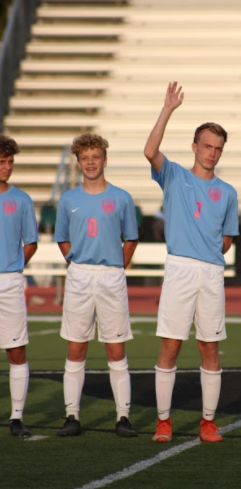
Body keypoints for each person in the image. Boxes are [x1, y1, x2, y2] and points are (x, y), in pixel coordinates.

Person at [144, 82, 239, 443]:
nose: (212, 153)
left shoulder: (228, 192)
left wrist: (207, 254)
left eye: (217, 148)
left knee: (209, 347)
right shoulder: (174, 176)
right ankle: (164, 422)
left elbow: (227, 239)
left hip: (211, 273)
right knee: (170, 345)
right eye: (207, 146)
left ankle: (208, 422)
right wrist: (168, 108)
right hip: (180, 269)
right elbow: (150, 150)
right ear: (195, 147)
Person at [54, 133, 139, 438]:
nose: (91, 163)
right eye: (85, 158)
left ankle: (123, 417)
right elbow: (62, 238)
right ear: (78, 163)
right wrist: (76, 262)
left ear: (105, 159)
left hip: (111, 277)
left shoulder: (121, 198)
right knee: (76, 348)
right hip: (79, 276)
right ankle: (72, 415)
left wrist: (117, 266)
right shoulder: (69, 199)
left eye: (96, 157)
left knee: (116, 349)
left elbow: (131, 238)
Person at [0, 135, 38, 437]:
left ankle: (15, 418)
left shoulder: (22, 199)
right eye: (2, 161)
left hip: (10, 281)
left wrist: (13, 264)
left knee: (17, 351)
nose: (8, 167)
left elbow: (31, 243)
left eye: (10, 161)